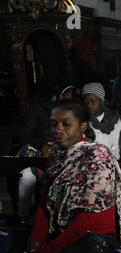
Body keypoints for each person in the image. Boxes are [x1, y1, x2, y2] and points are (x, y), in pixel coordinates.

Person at [0, 99, 121, 253]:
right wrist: (35, 242)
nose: (58, 129)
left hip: (93, 240)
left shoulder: (97, 157)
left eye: (65, 124)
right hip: (60, 233)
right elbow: (45, 204)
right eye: (54, 124)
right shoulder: (58, 156)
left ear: (83, 125)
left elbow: (88, 220)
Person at [15, 83, 76, 224]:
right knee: (27, 177)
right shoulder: (39, 108)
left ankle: (59, 219)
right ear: (60, 95)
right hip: (40, 155)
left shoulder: (71, 111)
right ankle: (23, 218)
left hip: (63, 156)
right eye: (68, 95)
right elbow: (24, 135)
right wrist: (42, 145)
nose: (70, 98)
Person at [82, 82, 121, 159]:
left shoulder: (114, 118)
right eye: (86, 102)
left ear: (102, 101)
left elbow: (115, 148)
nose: (89, 105)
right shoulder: (81, 120)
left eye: (92, 101)